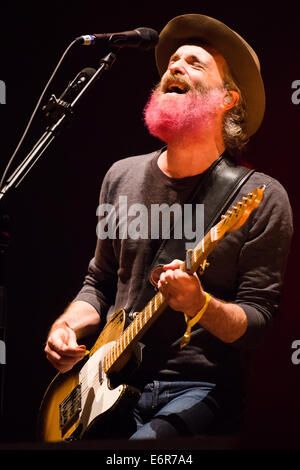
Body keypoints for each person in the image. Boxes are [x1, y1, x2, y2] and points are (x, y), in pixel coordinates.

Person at [44, 14, 293, 440]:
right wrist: (66, 326)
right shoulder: (119, 176)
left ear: (228, 99)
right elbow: (99, 283)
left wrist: (201, 304)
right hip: (108, 385)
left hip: (199, 387)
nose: (175, 66)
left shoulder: (260, 197)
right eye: (172, 61)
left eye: (194, 63)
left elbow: (258, 320)